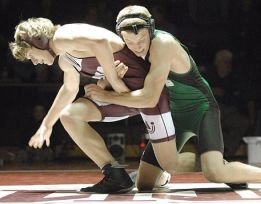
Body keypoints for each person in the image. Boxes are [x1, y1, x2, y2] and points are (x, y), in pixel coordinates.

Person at [85, 5, 261, 191]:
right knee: (144, 184)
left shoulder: (163, 44)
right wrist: (115, 81)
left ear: (152, 30)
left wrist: (107, 95)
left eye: (142, 40)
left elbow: (148, 98)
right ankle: (166, 174)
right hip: (171, 113)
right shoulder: (128, 50)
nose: (136, 48)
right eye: (130, 42)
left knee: (214, 172)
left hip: (200, 108)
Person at [9, 17, 175, 193]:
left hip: (147, 93)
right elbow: (69, 89)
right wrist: (46, 124)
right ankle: (115, 175)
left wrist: (113, 81)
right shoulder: (65, 58)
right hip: (123, 95)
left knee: (169, 165)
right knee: (69, 115)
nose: (35, 62)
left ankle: (157, 171)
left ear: (39, 41)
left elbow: (101, 43)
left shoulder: (63, 36)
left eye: (32, 56)